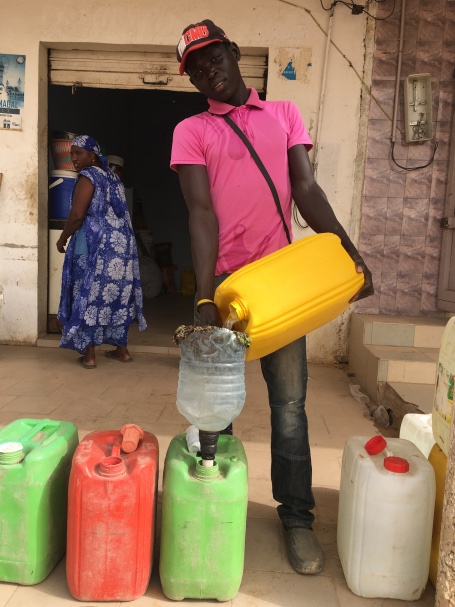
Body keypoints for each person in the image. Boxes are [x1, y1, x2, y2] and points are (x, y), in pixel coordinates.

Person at [170, 20, 374, 575]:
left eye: (214, 57)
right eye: (195, 68)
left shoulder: (283, 115)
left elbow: (306, 190)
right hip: (231, 293)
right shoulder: (191, 130)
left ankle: (298, 519)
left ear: (235, 53)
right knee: (218, 415)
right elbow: (200, 213)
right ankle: (216, 512)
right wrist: (206, 297)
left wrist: (350, 254)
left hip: (282, 291)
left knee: (289, 410)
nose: (208, 71)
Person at [56, 135, 146, 369]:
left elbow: (77, 215)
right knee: (114, 295)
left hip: (93, 245)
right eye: (72, 153)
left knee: (88, 295)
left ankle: (90, 355)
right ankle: (122, 351)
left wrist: (62, 238)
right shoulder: (113, 177)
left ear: (92, 155)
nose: (74, 158)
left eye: (79, 153)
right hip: (119, 248)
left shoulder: (88, 176)